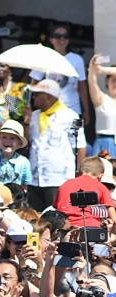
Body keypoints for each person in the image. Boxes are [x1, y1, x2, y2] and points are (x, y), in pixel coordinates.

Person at [25, 79, 86, 211]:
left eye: (37, 94)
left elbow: (80, 145)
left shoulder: (70, 116)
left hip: (58, 178)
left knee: (58, 217)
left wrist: (79, 173)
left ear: (47, 96)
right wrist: (26, 122)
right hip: (35, 178)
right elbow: (26, 142)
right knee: (36, 219)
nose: (33, 97)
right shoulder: (34, 116)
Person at [30, 23, 90, 125]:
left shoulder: (77, 59)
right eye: (58, 36)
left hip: (73, 108)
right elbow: (34, 83)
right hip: (51, 109)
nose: (62, 39)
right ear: (51, 39)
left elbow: (82, 86)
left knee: (74, 139)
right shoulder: (44, 57)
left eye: (65, 36)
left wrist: (86, 110)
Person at [53, 156, 116, 227]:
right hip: (90, 226)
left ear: (79, 172)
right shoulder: (100, 186)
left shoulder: (65, 184)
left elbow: (56, 206)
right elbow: (110, 208)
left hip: (64, 225)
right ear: (100, 176)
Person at [88, 53, 116, 157]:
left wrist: (103, 69)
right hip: (104, 143)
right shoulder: (101, 98)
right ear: (107, 82)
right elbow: (92, 83)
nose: (115, 84)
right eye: (113, 80)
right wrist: (93, 69)